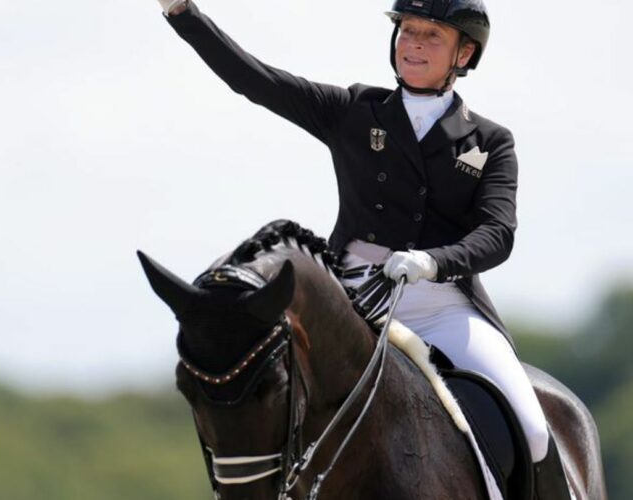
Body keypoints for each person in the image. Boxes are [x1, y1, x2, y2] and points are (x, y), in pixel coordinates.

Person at [157, 0, 570, 497]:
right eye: (407, 31)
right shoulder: (353, 111)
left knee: (531, 426)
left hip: (441, 306)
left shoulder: (488, 141)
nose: (413, 43)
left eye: (431, 36)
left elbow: (497, 233)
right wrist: (182, 13)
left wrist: (433, 261)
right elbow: (255, 80)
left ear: (464, 54)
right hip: (351, 304)